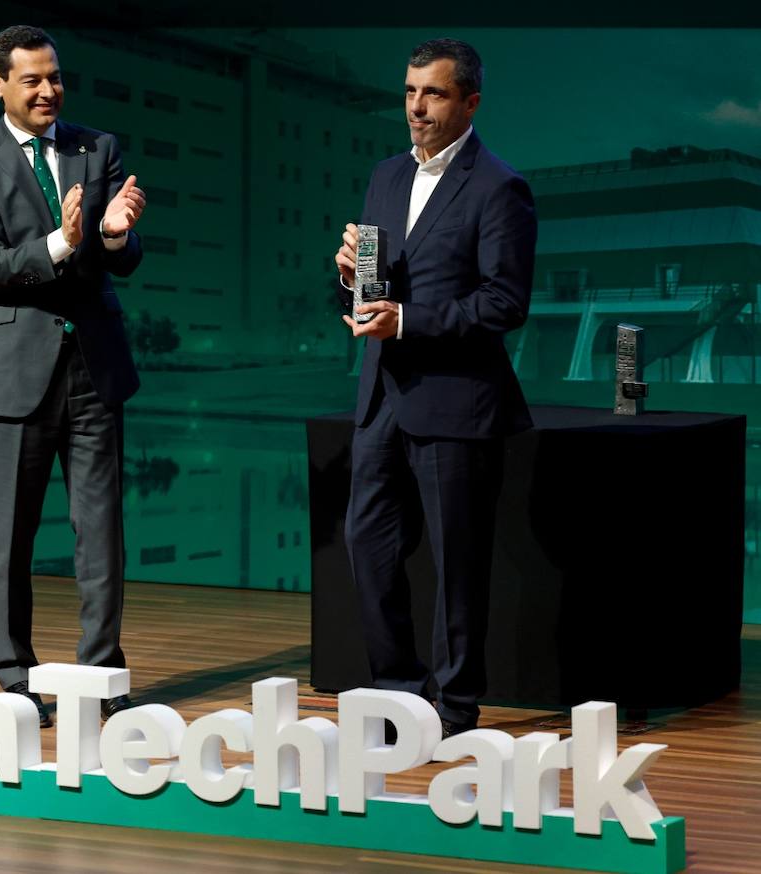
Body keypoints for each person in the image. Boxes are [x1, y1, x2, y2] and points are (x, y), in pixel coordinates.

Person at [334, 38, 536, 738]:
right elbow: (384, 278)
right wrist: (353, 273)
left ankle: (453, 709)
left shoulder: (499, 186)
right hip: (380, 394)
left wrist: (409, 320)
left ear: (470, 102)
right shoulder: (385, 176)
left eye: (435, 94)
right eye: (411, 92)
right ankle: (400, 694)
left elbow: (504, 302)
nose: (417, 107)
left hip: (455, 399)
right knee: (368, 544)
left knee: (456, 564)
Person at [0, 25, 147, 726]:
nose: (47, 90)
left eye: (54, 76)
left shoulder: (98, 147)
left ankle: (102, 677)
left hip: (93, 367)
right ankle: (15, 682)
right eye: (31, 79)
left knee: (101, 533)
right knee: (11, 539)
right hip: (11, 375)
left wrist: (115, 234)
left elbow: (120, 258)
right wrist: (64, 240)